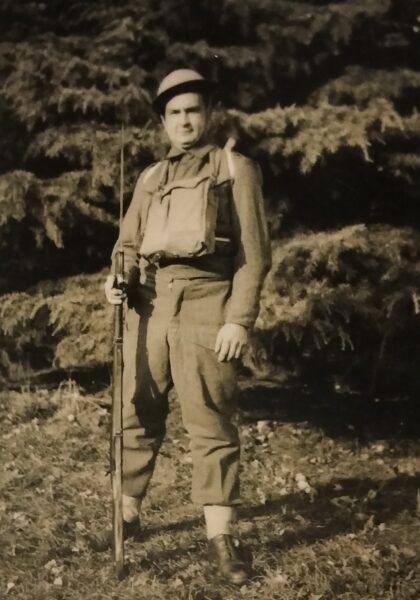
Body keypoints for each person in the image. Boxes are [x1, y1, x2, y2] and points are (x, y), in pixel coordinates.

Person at [92, 68, 271, 584]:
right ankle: (126, 516)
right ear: (163, 121)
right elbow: (127, 245)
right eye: (174, 113)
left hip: (208, 303)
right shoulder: (150, 177)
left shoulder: (236, 169)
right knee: (135, 410)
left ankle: (222, 539)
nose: (184, 120)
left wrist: (238, 320)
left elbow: (254, 256)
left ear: (208, 114)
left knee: (210, 419)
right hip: (149, 305)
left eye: (193, 110)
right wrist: (118, 279)